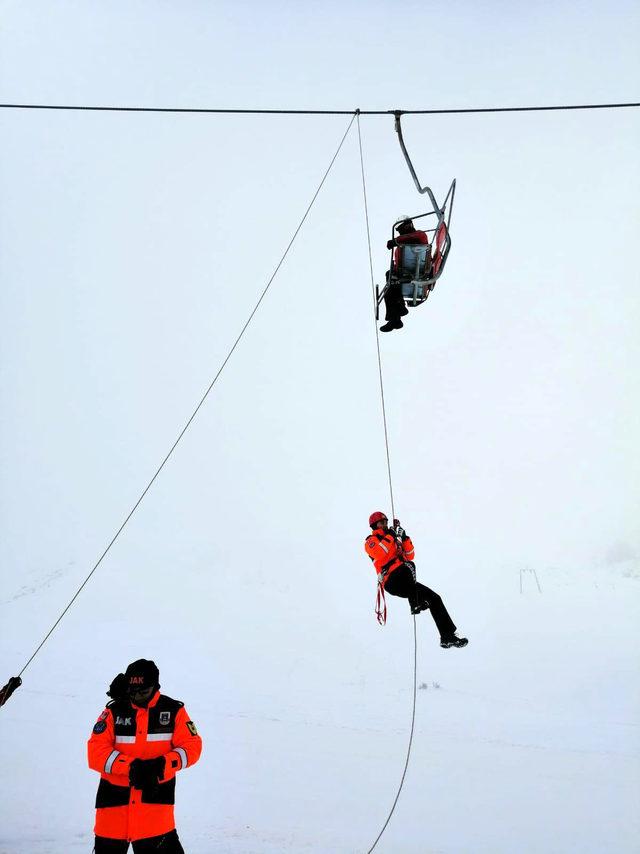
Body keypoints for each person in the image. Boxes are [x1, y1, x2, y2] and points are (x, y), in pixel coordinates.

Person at [87, 659, 203, 853]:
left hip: (156, 817)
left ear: (155, 686)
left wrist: (161, 765)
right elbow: (95, 751)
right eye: (133, 692)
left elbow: (192, 746)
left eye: (143, 692)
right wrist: (131, 767)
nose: (138, 697)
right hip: (112, 815)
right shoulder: (113, 711)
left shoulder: (174, 711)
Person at [364, 512, 468, 648]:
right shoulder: (371, 541)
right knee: (409, 566)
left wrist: (404, 537)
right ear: (374, 525)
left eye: (386, 521)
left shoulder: (393, 539)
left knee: (435, 598)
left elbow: (410, 555)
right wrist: (391, 535)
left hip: (406, 579)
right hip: (392, 580)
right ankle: (415, 603)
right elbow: (379, 552)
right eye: (381, 522)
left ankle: (447, 636)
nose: (385, 524)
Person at [380, 217, 431, 333]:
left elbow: (413, 237)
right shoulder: (400, 249)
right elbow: (397, 264)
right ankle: (395, 319)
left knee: (392, 277)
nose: (400, 232)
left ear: (408, 226)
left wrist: (396, 241)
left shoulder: (420, 235)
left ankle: (400, 309)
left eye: (401, 229)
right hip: (403, 275)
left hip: (419, 270)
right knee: (389, 291)